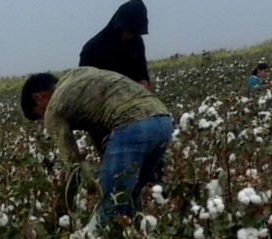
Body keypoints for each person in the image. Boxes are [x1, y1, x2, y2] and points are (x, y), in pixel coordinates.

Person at [21, 67, 173, 225]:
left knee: (110, 205)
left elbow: (73, 166)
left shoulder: (54, 108)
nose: (44, 120)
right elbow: (98, 129)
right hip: (163, 121)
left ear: (38, 97)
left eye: (39, 115)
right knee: (129, 196)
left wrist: (60, 211)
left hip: (132, 124)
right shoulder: (78, 76)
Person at [79, 0, 150, 88]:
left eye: (135, 32)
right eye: (127, 29)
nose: (130, 35)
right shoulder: (91, 50)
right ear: (118, 24)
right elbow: (84, 87)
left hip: (133, 96)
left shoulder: (137, 43)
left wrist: (142, 87)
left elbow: (142, 74)